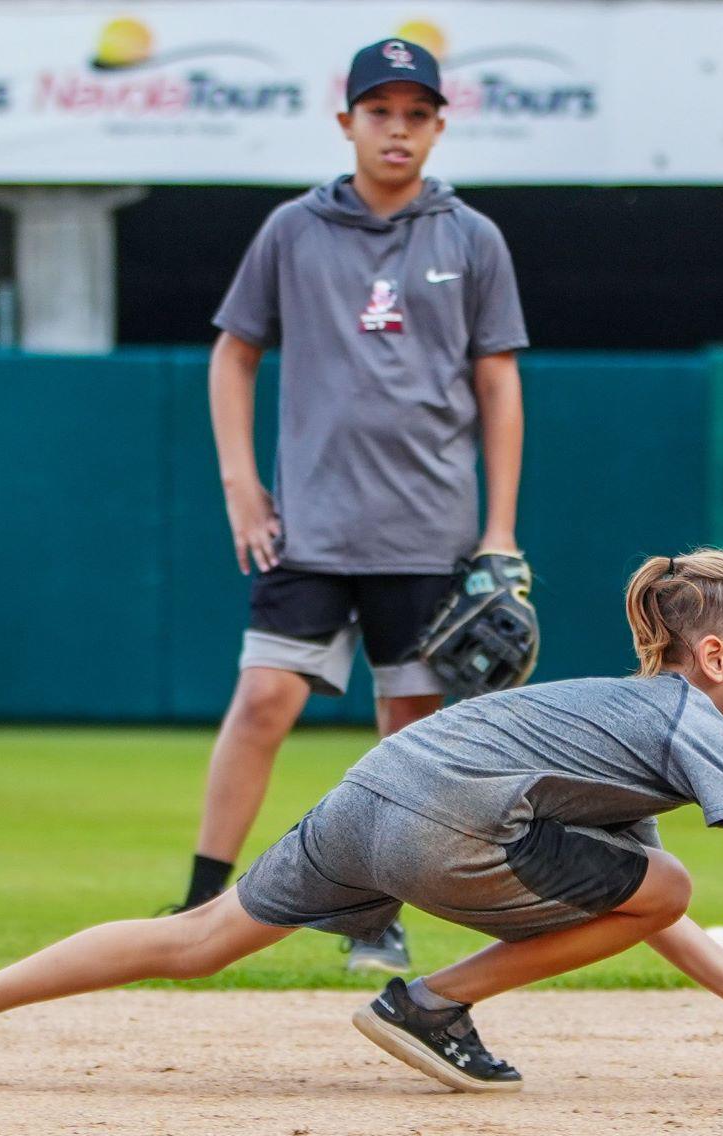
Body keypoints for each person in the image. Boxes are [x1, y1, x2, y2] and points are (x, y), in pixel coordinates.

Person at [0, 549, 723, 1091]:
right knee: (668, 884)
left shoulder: (612, 727)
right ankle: (428, 1004)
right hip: (451, 819)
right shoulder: (692, 722)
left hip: (375, 790)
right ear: (715, 654)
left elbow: (634, 907)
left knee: (201, 934)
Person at [166, 35, 530, 975]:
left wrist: (498, 529)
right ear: (348, 124)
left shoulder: (471, 237)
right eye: (381, 113)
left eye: (416, 115)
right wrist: (241, 482)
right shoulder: (294, 229)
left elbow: (498, 385)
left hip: (427, 532)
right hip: (313, 530)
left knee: (406, 735)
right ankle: (203, 898)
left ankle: (374, 914)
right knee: (261, 704)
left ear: (439, 127)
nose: (398, 131)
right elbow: (233, 352)